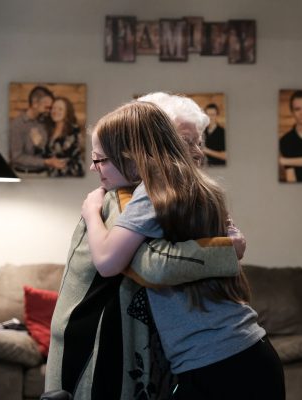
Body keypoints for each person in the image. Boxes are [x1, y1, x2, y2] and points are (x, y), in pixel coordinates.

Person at [46, 94, 246, 399]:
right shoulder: (139, 195)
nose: (193, 153)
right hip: (220, 351)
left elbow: (145, 263)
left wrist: (226, 250)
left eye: (197, 142)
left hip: (219, 354)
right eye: (183, 141)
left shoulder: (153, 194)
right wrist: (228, 248)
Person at [82, 101, 284, 400]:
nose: (93, 167)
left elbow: (108, 261)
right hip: (248, 352)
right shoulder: (192, 185)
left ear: (131, 157)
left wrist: (91, 211)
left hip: (217, 363)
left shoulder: (150, 192)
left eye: (100, 159)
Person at [9, 86, 66, 175]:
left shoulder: (44, 123)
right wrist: (46, 162)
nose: (49, 111)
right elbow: (16, 157)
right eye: (46, 107)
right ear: (35, 103)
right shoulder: (18, 124)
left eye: (50, 108)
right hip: (24, 176)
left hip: (44, 175)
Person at [45, 97, 84, 177]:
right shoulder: (47, 129)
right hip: (50, 176)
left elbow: (73, 155)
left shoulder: (73, 130)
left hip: (70, 175)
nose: (55, 111)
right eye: (54, 108)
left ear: (67, 112)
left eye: (60, 109)